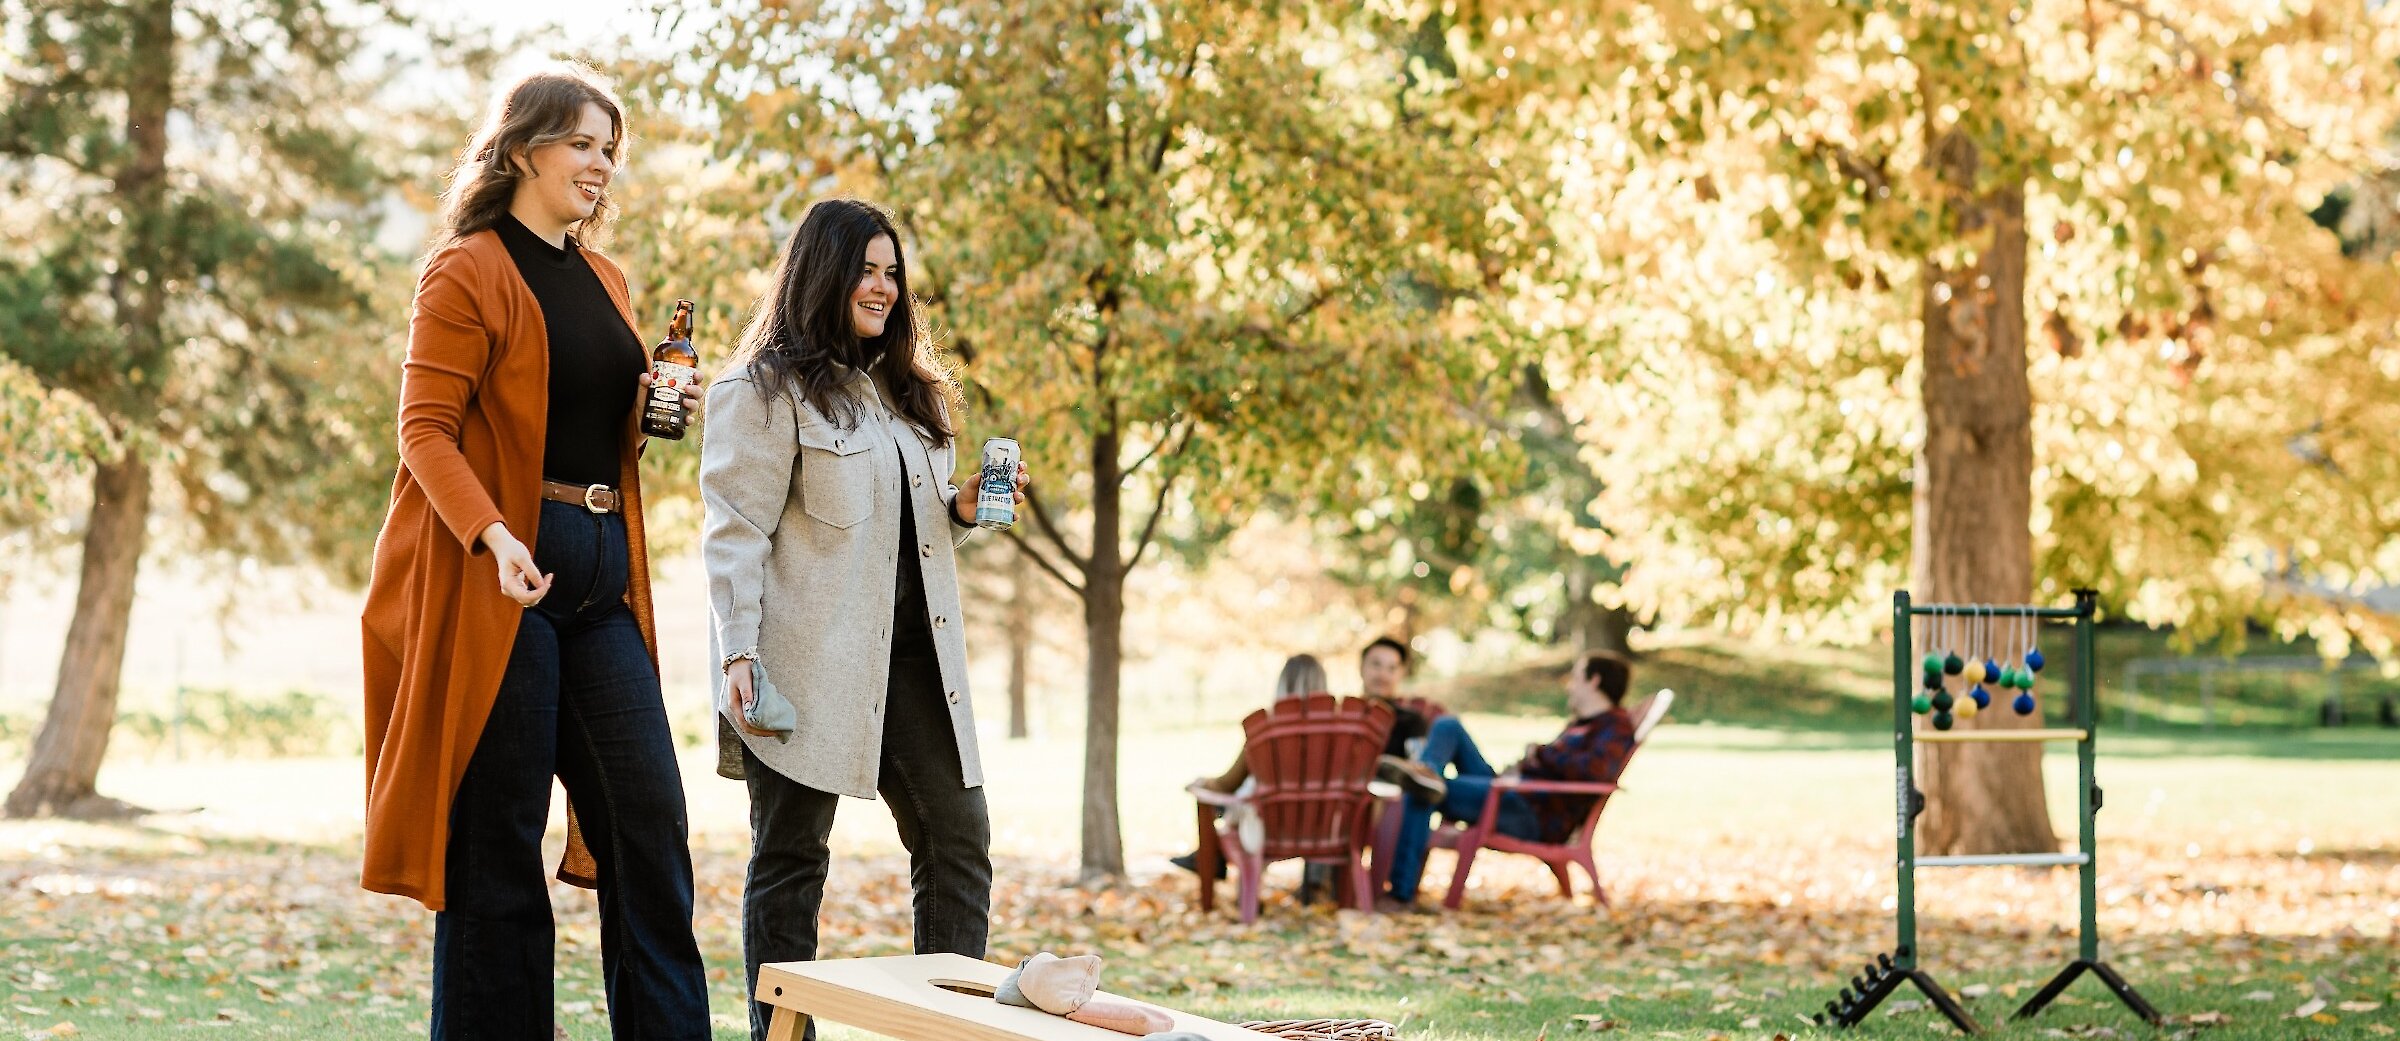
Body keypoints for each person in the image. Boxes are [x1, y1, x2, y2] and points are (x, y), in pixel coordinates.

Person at [359, 68, 709, 1040]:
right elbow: (424, 431)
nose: (600, 165)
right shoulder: (464, 268)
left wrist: (650, 416)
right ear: (523, 149)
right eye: (583, 145)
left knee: (648, 827)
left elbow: (594, 430)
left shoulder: (608, 280)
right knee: (497, 850)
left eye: (610, 150)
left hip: (601, 573)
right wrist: (494, 533)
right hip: (500, 576)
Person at [700, 197, 1028, 1041]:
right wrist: (740, 654)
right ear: (824, 274)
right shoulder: (761, 391)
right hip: (805, 664)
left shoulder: (904, 392)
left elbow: (900, 523)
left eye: (892, 272)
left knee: (960, 839)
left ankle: (947, 1030)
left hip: (915, 665)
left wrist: (958, 506)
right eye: (867, 270)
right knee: (791, 860)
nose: (883, 287)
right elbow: (735, 531)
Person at [1375, 651, 1639, 912]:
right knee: (1448, 726)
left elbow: (1593, 772)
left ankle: (1401, 894)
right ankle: (1427, 772)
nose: (1569, 685)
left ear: (1594, 680)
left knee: (1420, 789)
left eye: (1576, 677)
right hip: (1514, 792)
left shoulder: (1614, 727)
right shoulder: (1583, 724)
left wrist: (1540, 753)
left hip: (1530, 813)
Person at [1169, 654, 1329, 880]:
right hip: (1328, 831)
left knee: (1225, 802)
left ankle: (1210, 858)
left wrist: (1203, 783)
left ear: (1283, 685)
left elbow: (1227, 784)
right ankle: (1212, 857)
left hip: (1270, 831)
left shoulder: (1267, 732)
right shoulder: (1340, 733)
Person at [1358, 636, 1431, 757]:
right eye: (1376, 665)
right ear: (1361, 668)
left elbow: (1418, 767)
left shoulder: (1412, 722)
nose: (1383, 675)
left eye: (1391, 669)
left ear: (1400, 674)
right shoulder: (1344, 718)